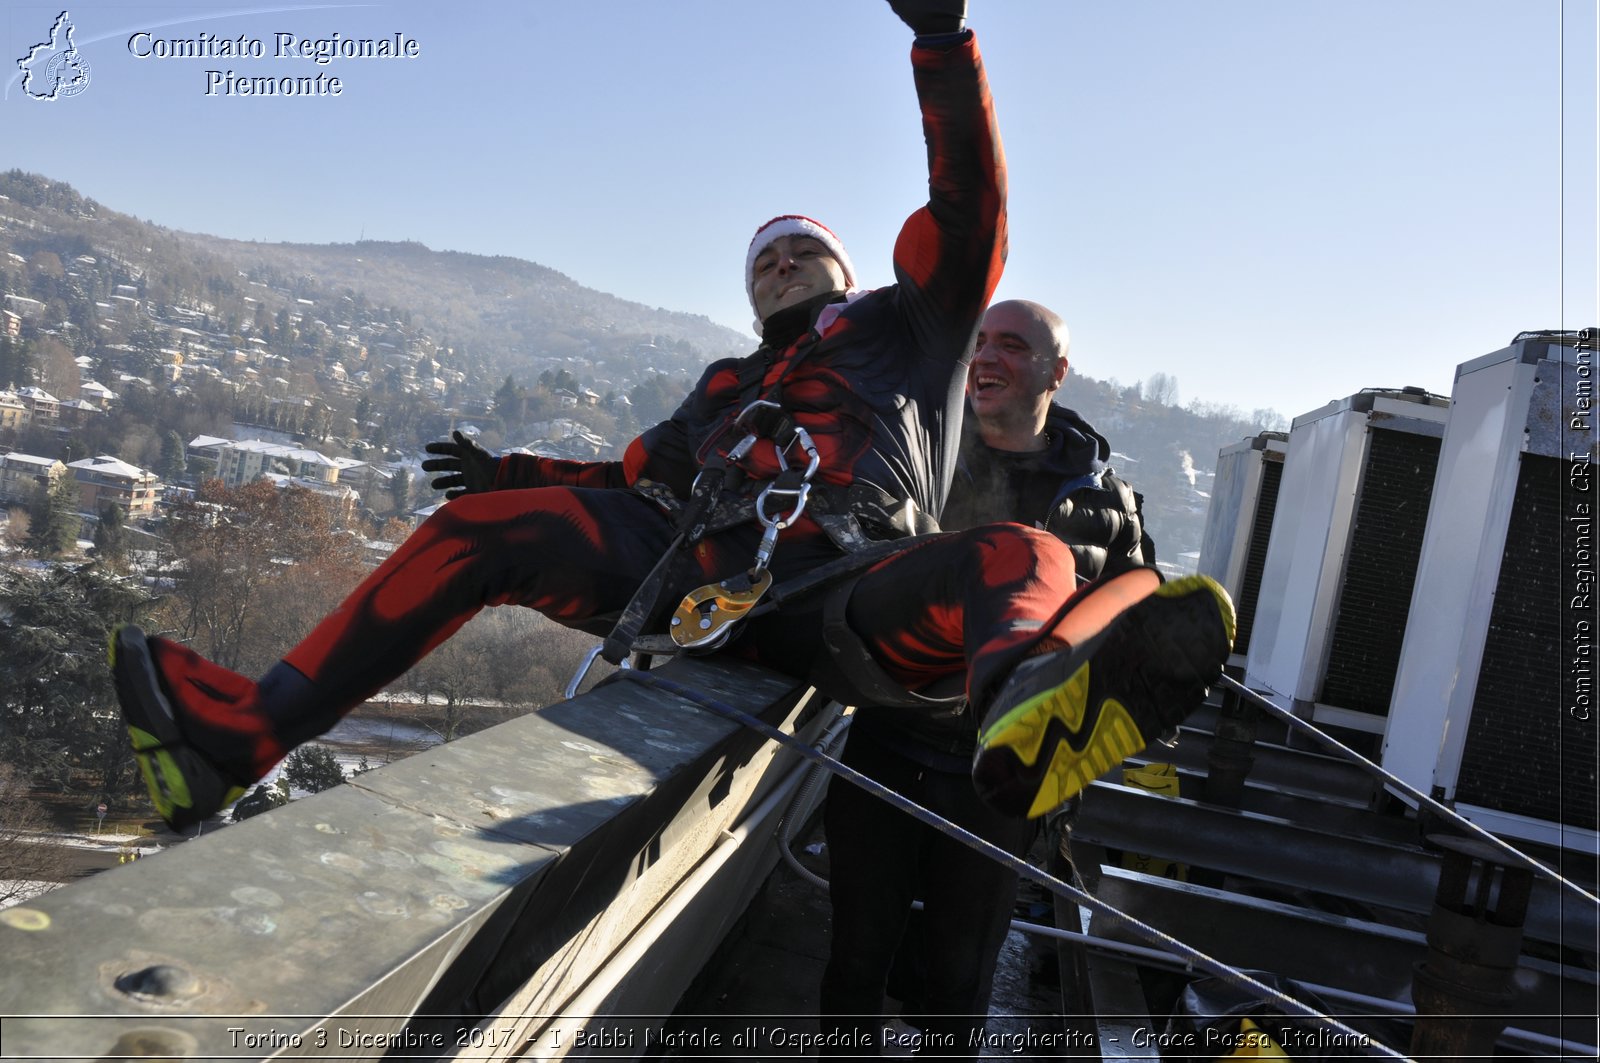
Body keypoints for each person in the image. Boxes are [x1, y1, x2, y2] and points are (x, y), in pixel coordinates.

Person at [110, 0, 1233, 888]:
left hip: (845, 589)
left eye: (800, 249)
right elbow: (627, 482)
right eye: (763, 259)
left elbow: (969, 203)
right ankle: (241, 734)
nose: (780, 262)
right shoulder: (727, 388)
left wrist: (941, 46)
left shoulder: (913, 326)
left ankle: (1023, 712)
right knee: (478, 531)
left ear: (845, 271)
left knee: (1017, 554)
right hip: (702, 579)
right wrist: (509, 480)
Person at [819, 299, 1153, 1055]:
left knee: (958, 981)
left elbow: (1127, 642)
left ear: (1056, 372)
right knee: (852, 964)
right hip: (887, 738)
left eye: (1014, 345)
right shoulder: (914, 462)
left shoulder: (1107, 508)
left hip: (998, 777)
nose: (989, 358)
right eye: (981, 343)